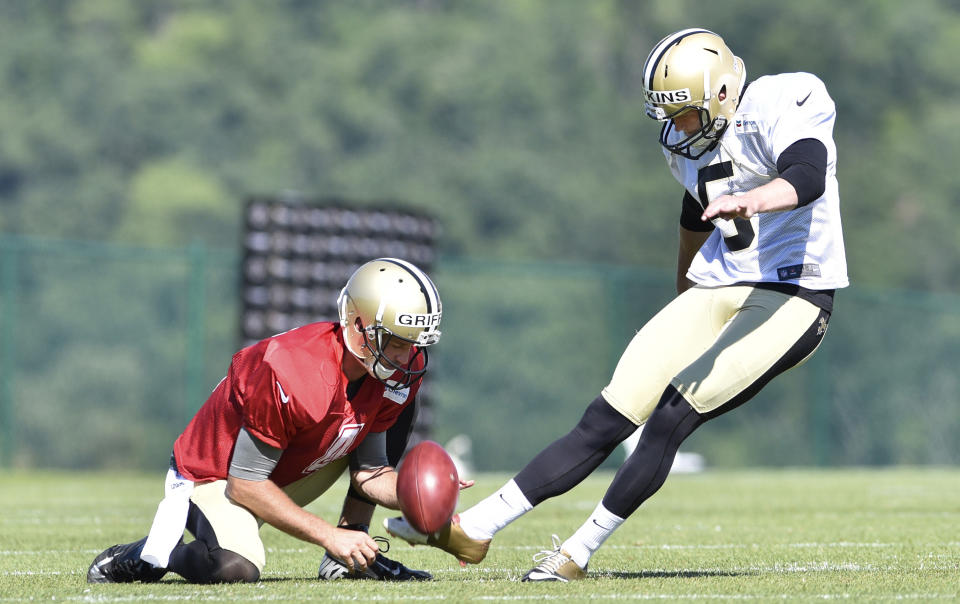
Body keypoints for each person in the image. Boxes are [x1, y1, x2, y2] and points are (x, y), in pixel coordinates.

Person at [385, 27, 848, 581]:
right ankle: (475, 529)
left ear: (723, 93)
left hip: (795, 292)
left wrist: (752, 199)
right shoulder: (689, 147)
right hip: (722, 287)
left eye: (686, 113)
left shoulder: (785, 99)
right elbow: (692, 214)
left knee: (673, 414)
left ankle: (575, 554)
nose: (677, 128)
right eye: (670, 115)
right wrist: (685, 292)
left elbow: (807, 175)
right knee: (606, 415)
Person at [87, 257, 457, 583]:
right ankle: (150, 554)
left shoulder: (397, 370)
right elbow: (245, 484)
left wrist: (419, 497)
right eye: (396, 342)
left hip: (290, 466)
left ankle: (351, 560)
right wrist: (328, 534)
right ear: (359, 326)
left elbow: (370, 471)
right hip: (217, 474)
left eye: (414, 343)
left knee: (402, 402)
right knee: (234, 567)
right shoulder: (294, 369)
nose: (407, 356)